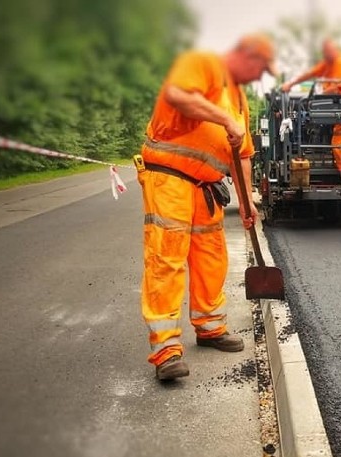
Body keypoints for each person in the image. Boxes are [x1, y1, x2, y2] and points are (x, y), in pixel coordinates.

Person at [136, 33, 277, 381]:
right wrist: (225, 121)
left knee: (211, 258)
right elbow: (177, 95)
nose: (259, 77)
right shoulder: (203, 63)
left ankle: (210, 327)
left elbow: (242, 157)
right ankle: (166, 350)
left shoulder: (240, 99)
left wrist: (246, 204)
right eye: (260, 69)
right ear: (246, 55)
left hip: (206, 188)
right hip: (170, 179)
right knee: (166, 258)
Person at [281, 39, 341, 181]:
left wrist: (318, 95)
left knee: (340, 141)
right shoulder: (328, 63)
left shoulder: (340, 62)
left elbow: (337, 86)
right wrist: (291, 83)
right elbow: (310, 73)